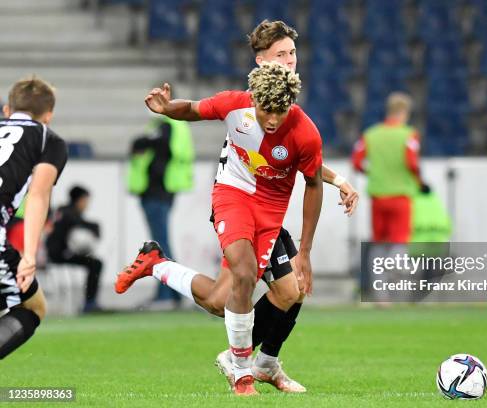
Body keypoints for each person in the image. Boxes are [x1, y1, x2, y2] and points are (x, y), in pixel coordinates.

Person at [116, 20, 358, 394]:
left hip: (271, 209)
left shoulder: (294, 116)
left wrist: (339, 181)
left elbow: (301, 158)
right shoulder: (241, 105)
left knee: (226, 299)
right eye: (281, 54)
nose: (291, 60)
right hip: (235, 196)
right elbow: (195, 110)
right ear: (261, 62)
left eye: (293, 53)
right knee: (266, 283)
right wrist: (167, 109)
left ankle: (159, 266)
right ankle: (247, 366)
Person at [0, 76, 68, 359]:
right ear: (48, 115)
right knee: (33, 307)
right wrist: (29, 255)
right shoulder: (47, 139)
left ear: (7, 109)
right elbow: (39, 195)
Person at [127, 101, 195, 307]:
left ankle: (166, 293)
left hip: (157, 192)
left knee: (159, 244)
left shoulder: (166, 126)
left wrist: (141, 142)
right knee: (161, 242)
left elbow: (142, 145)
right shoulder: (174, 126)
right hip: (161, 192)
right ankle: (174, 293)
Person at [352, 92, 424, 243]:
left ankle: (377, 267)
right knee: (399, 241)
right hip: (401, 197)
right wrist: (420, 183)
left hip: (378, 197)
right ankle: (395, 267)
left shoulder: (370, 134)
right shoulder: (409, 135)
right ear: (404, 112)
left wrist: (372, 173)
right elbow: (413, 164)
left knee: (379, 241)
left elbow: (356, 162)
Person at [46, 186, 103, 313]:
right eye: (86, 201)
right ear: (80, 200)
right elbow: (80, 224)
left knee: (95, 263)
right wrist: (96, 228)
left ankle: (90, 302)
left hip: (57, 253)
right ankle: (90, 303)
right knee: (96, 264)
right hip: (60, 254)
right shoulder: (68, 213)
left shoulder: (63, 211)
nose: (86, 204)